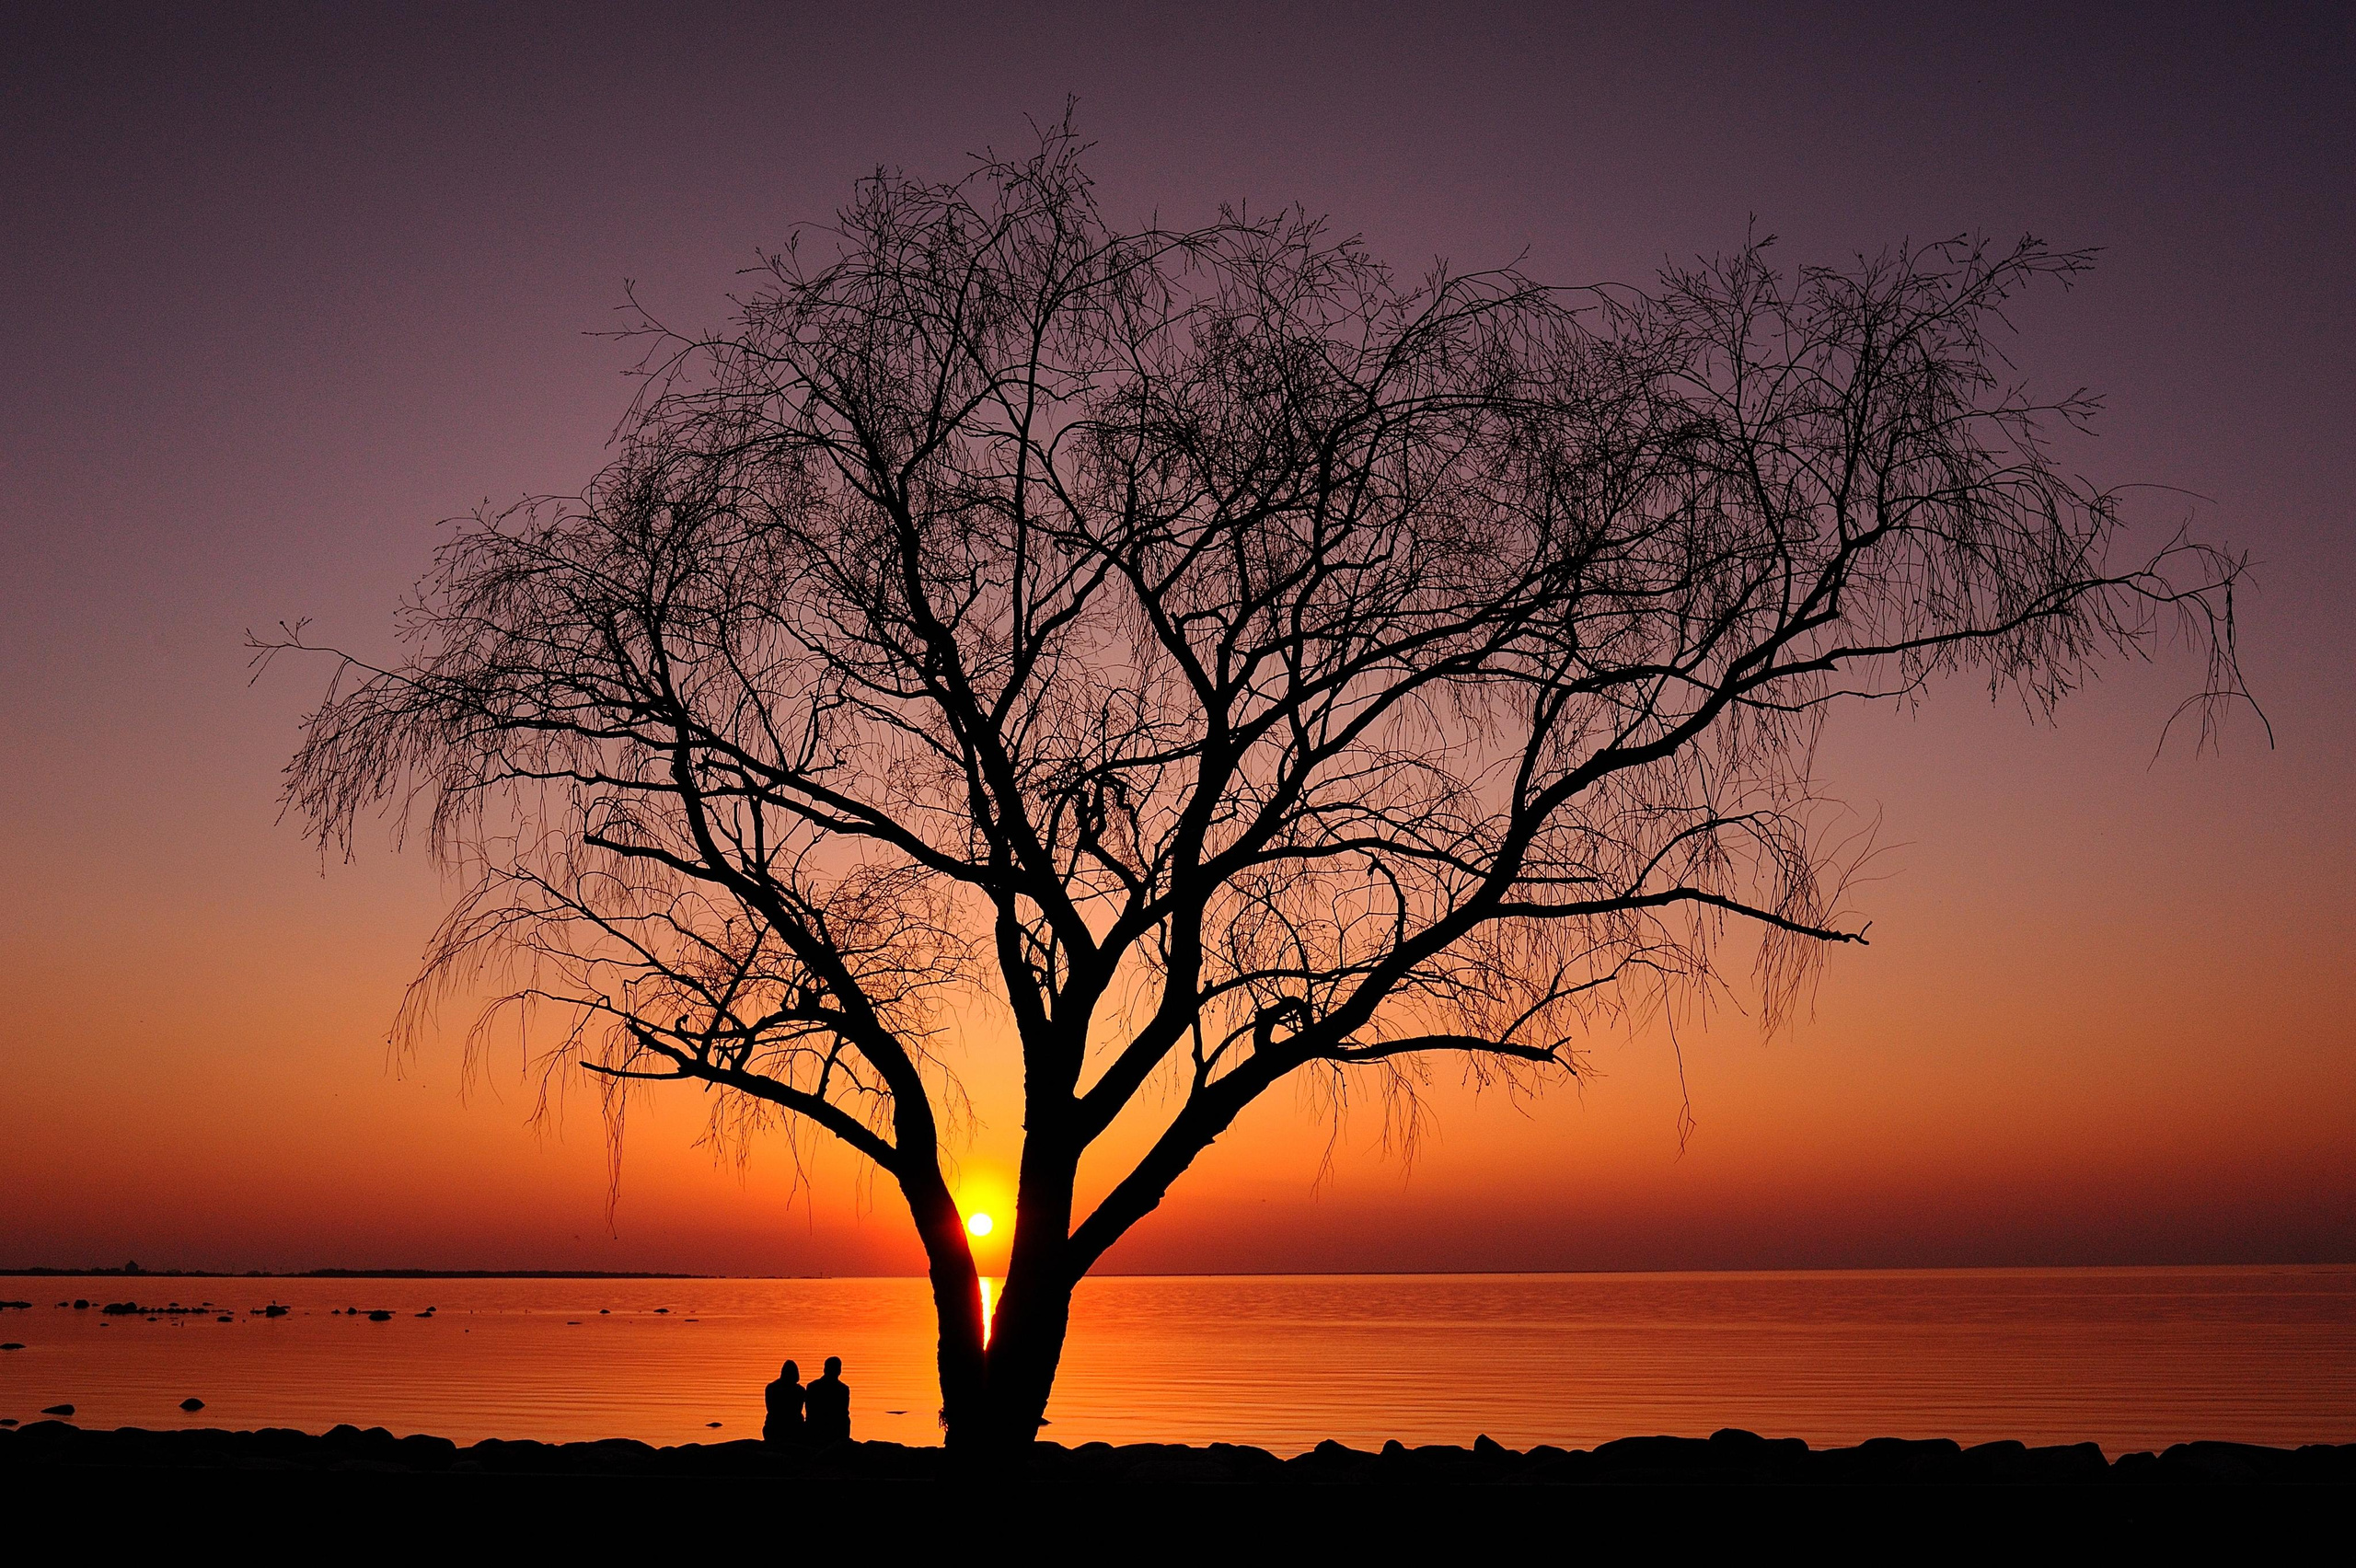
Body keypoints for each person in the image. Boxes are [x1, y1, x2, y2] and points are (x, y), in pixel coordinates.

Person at [804, 1355, 850, 1444]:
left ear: (825, 1369)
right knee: (846, 1419)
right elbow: (843, 1412)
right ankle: (843, 1442)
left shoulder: (812, 1386)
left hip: (814, 1427)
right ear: (839, 1371)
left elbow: (809, 1410)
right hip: (834, 1429)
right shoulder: (843, 1389)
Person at [763, 1359, 805, 1446]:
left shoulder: (771, 1388)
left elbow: (770, 1409)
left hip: (772, 1428)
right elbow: (798, 1410)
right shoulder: (800, 1390)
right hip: (794, 1428)